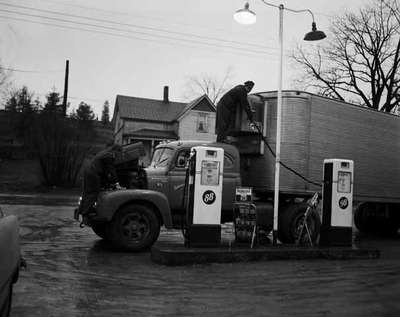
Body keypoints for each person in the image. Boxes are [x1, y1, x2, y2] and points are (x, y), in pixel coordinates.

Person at [78, 144, 123, 224]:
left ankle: (82, 211)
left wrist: (109, 183)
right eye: (119, 153)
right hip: (93, 173)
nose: (119, 155)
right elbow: (111, 170)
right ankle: (85, 214)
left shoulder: (105, 152)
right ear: (116, 151)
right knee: (93, 192)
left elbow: (105, 171)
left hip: (88, 171)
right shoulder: (109, 156)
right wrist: (116, 183)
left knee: (86, 193)